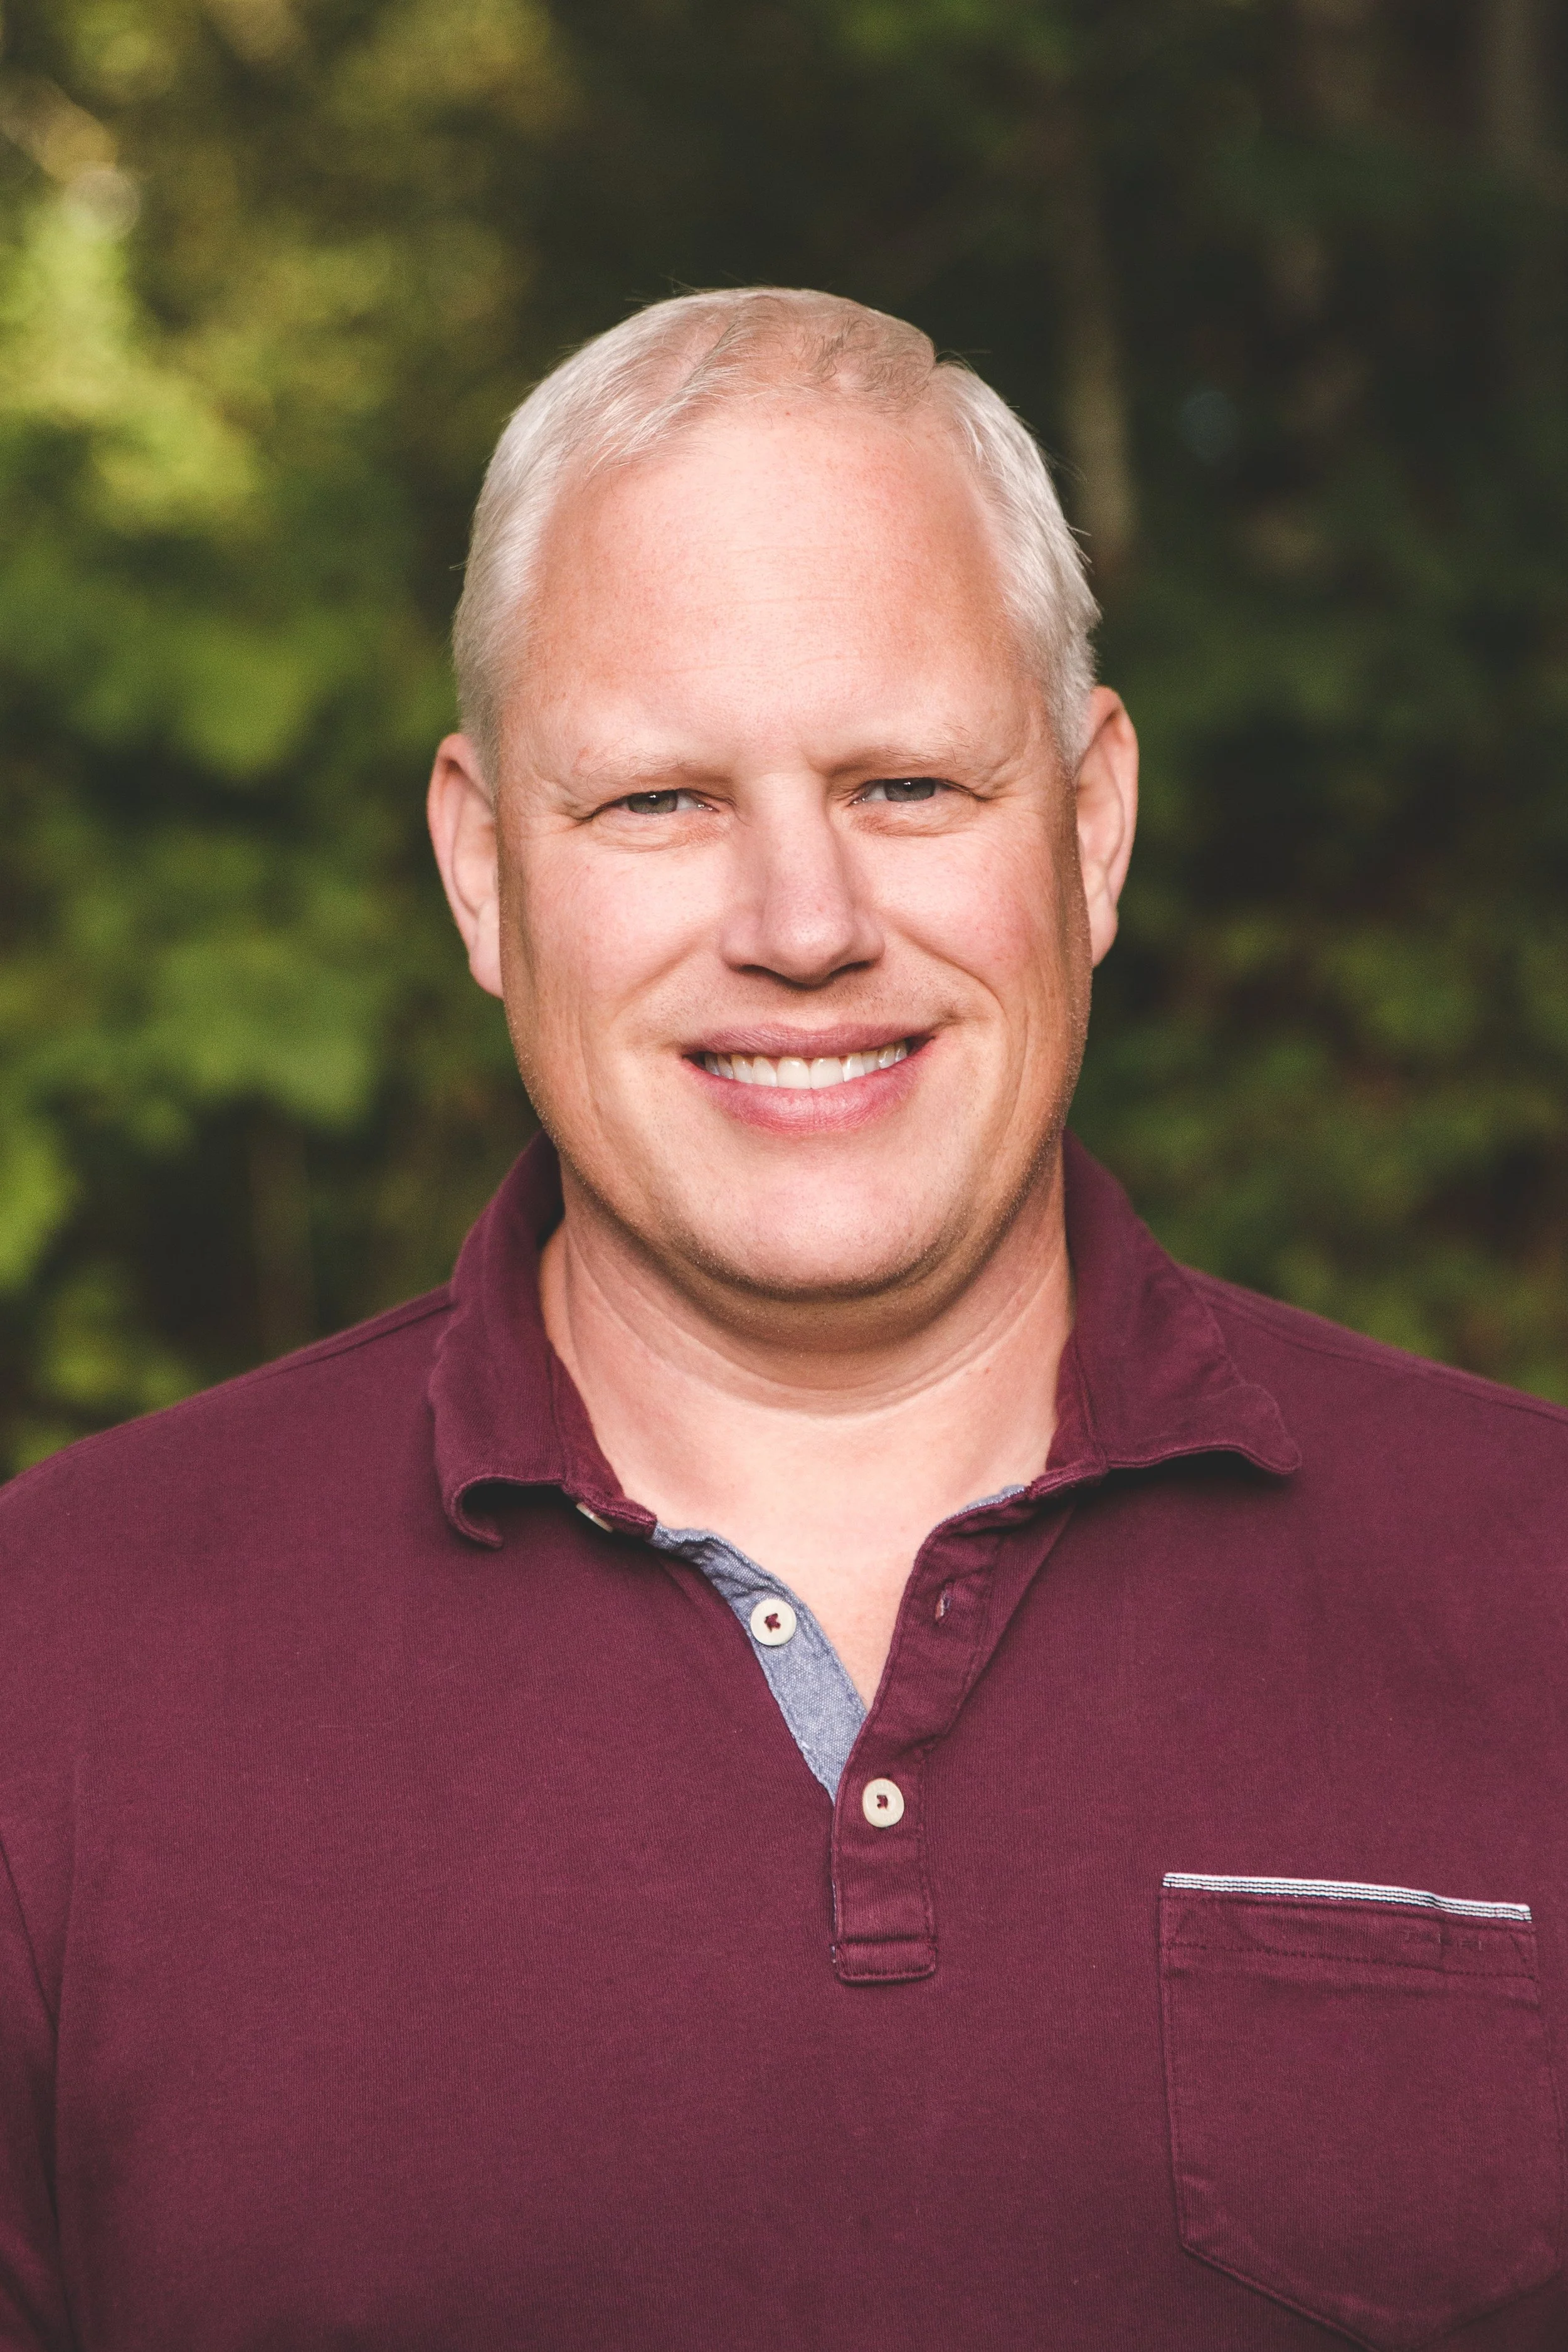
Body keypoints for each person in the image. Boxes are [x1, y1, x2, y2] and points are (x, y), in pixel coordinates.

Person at [1, 288, 1564, 2351]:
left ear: (1088, 825)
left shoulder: (1526, 1579)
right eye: (657, 800)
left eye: (906, 781)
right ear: (482, 872)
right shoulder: (55, 1654)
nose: (802, 922)